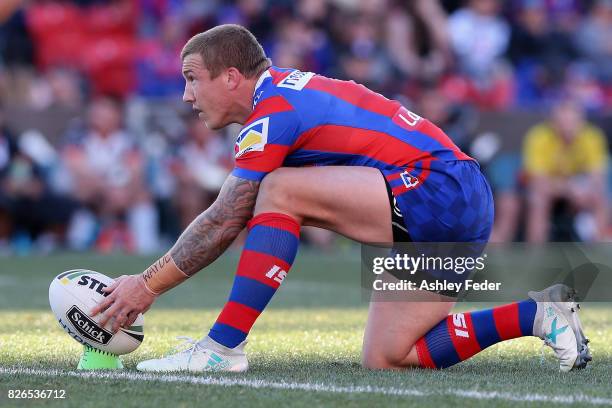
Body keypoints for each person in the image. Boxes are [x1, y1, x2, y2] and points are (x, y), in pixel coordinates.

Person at [91, 24, 590, 373]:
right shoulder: (280, 101)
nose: (185, 95)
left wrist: (147, 286)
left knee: (277, 189)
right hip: (452, 197)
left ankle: (223, 346)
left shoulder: (274, 108)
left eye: (192, 78)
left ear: (230, 77)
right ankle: (539, 315)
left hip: (437, 188)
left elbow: (227, 217)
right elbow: (227, 209)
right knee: (390, 357)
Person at [523, 99, 609, 242]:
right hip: (551, 187)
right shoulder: (538, 136)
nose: (567, 126)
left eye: (572, 121)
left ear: (581, 121)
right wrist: (568, 189)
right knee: (538, 199)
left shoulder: (593, 137)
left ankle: (597, 252)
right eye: (562, 121)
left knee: (600, 199)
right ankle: (535, 255)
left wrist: (585, 189)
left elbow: (598, 176)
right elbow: (538, 180)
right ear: (553, 122)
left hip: (579, 186)